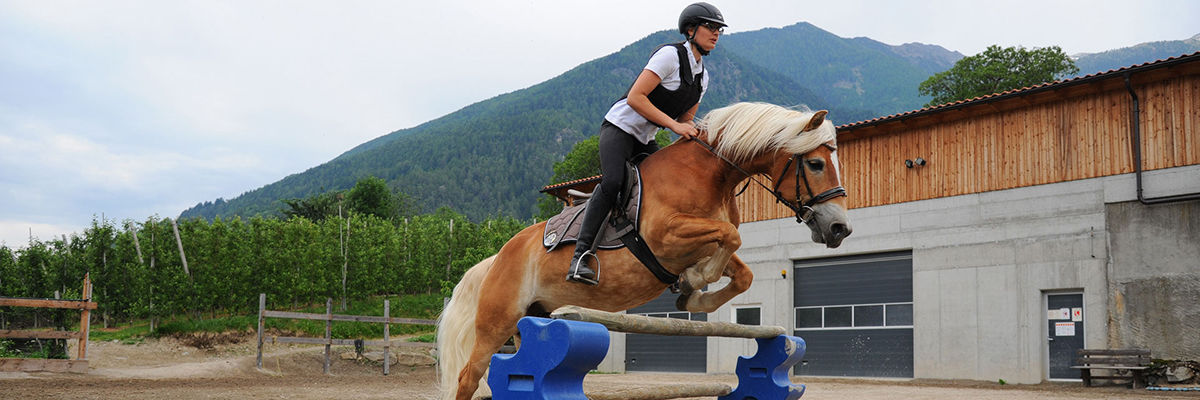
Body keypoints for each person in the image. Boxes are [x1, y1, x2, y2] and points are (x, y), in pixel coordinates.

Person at [567, 2, 726, 285]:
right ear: (691, 30)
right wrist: (675, 125)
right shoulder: (669, 56)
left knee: (670, 185)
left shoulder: (703, 77)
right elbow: (636, 98)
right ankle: (580, 256)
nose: (716, 33)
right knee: (614, 181)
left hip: (645, 139)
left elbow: (685, 122)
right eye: (710, 27)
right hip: (619, 128)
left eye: (719, 30)